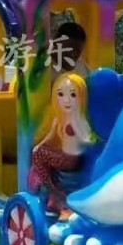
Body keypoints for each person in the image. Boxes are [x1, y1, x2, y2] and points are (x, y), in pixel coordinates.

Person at [31, 73, 93, 220]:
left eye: (73, 95)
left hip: (71, 160)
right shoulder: (60, 120)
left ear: (81, 97)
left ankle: (54, 192)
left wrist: (80, 130)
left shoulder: (79, 120)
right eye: (61, 94)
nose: (66, 100)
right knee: (38, 153)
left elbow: (87, 138)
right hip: (63, 157)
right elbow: (50, 136)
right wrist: (39, 145)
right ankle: (52, 190)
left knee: (39, 155)